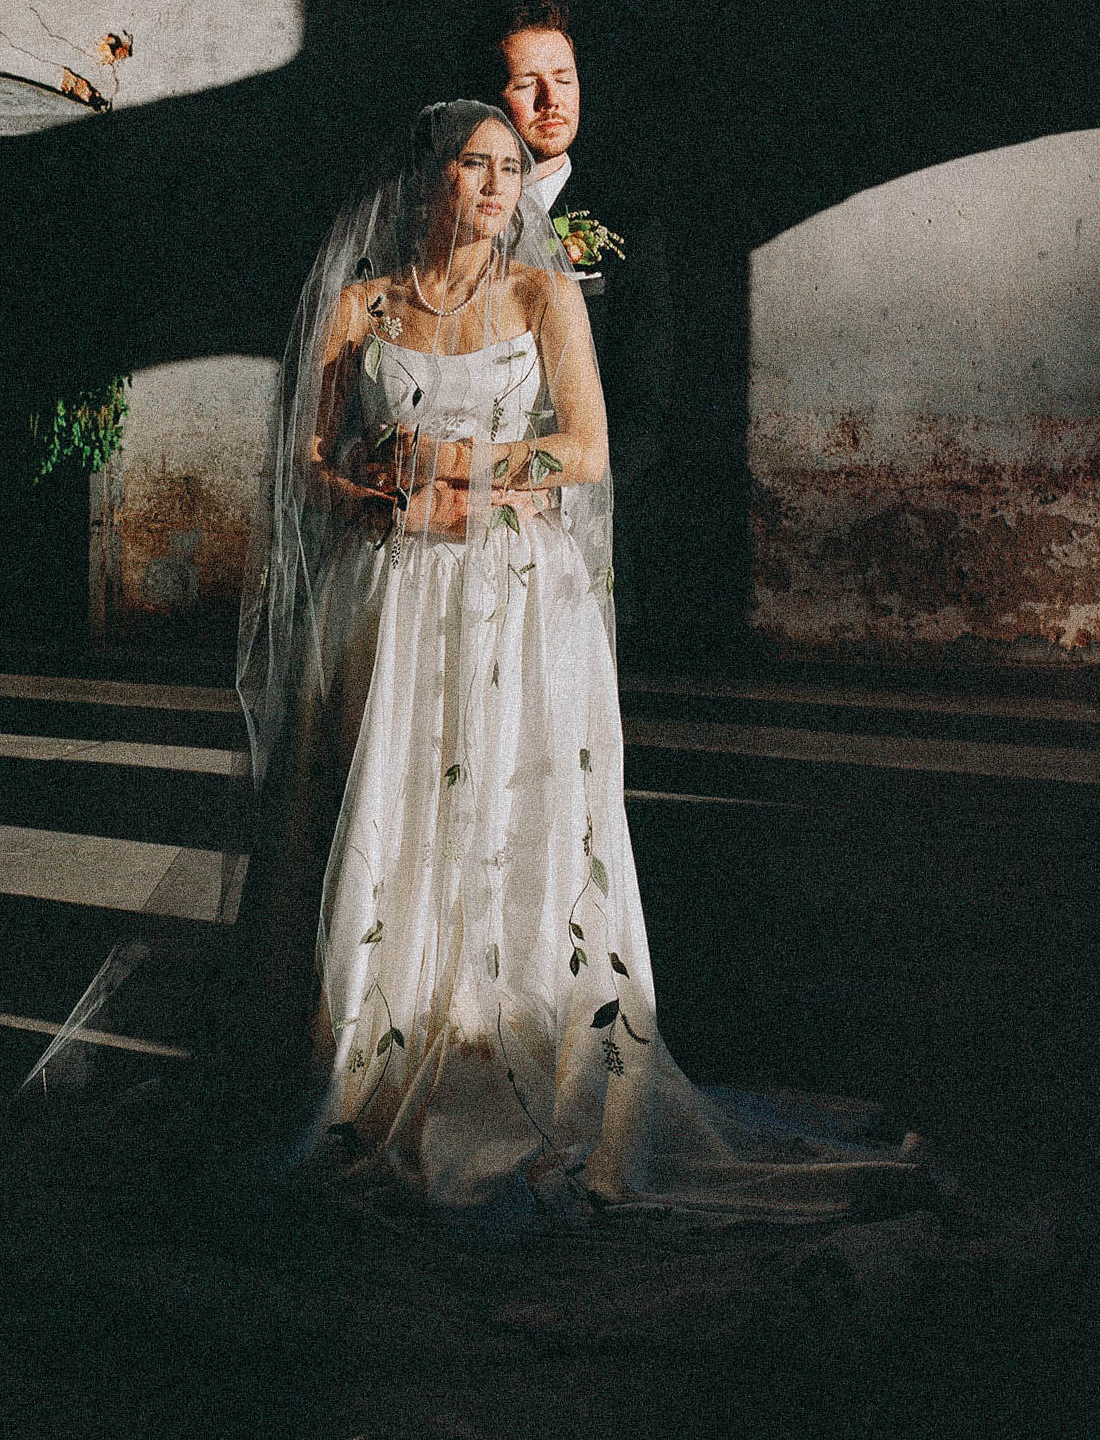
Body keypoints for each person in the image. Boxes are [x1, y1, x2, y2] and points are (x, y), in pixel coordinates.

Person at [217, 99, 927, 1218]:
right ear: (422, 183)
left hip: (512, 591)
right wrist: (372, 482)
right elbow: (308, 460)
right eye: (473, 165)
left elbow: (587, 446)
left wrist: (461, 467)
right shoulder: (362, 305)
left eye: (509, 166)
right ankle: (376, 1049)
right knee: (394, 802)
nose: (498, 185)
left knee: (510, 801)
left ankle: (519, 1041)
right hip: (393, 590)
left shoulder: (543, 294)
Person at [477, 0, 674, 629]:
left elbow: (647, 392)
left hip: (581, 506)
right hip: (467, 497)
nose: (549, 100)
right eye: (525, 84)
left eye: (563, 80)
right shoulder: (459, 216)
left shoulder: (627, 220)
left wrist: (565, 491)